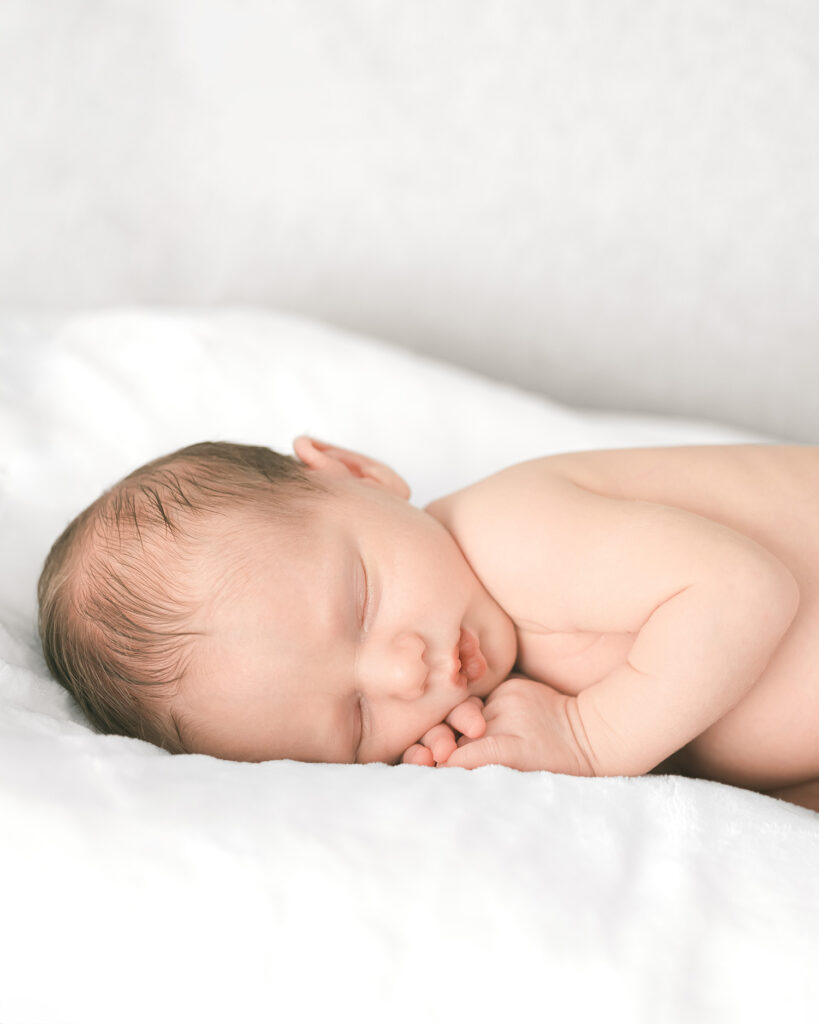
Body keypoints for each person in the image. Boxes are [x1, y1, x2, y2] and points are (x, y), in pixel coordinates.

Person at [38, 437, 819, 811]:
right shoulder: (511, 696)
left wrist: (590, 740)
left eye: (361, 603)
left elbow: (741, 592)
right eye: (354, 720)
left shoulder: (512, 535)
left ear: (356, 475)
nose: (402, 673)